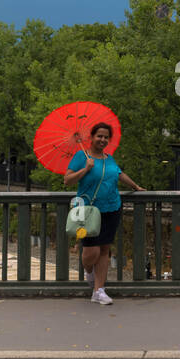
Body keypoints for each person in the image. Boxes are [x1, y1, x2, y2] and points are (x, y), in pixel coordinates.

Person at [63, 122, 144, 304]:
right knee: (91, 250)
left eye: (106, 137)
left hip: (112, 208)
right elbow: (67, 180)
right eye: (99, 136)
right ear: (91, 137)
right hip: (88, 211)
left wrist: (135, 186)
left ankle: (99, 290)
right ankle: (89, 271)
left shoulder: (109, 159)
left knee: (105, 249)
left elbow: (119, 174)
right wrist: (86, 169)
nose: (103, 139)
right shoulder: (81, 156)